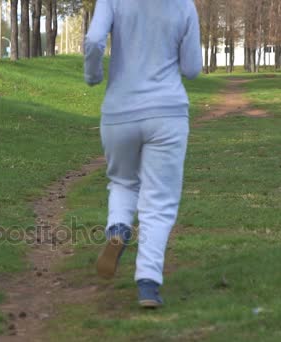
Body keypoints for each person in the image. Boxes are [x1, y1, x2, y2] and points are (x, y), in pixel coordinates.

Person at [85, 0, 202, 308]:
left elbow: (94, 40)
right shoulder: (184, 6)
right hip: (167, 112)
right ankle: (148, 284)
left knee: (123, 182)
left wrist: (93, 74)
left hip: (119, 111)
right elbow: (192, 69)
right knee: (159, 201)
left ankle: (118, 230)